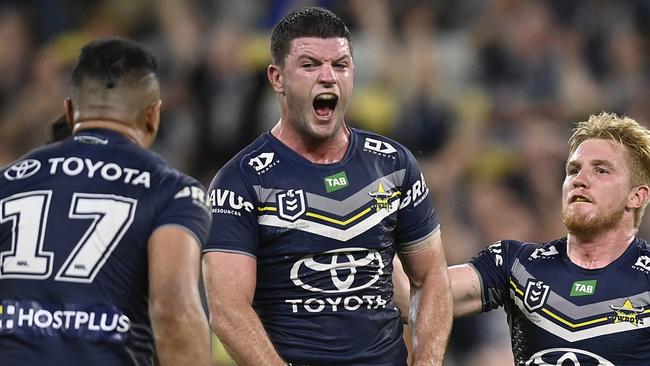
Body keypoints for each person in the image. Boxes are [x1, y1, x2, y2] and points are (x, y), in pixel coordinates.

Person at [201, 6, 452, 366]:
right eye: (309, 65)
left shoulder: (393, 163)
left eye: (340, 65)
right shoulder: (241, 180)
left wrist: (426, 362)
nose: (328, 77)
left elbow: (430, 277)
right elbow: (227, 311)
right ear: (277, 78)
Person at [0, 37, 212, 366]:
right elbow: (172, 309)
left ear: (69, 111)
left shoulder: (7, 182)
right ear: (153, 115)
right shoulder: (172, 190)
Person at [397, 112, 650, 365]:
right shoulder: (518, 264)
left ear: (636, 196)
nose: (580, 180)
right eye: (573, 170)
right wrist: (376, 226)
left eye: (601, 170)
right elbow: (413, 297)